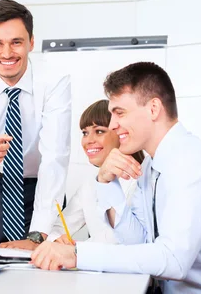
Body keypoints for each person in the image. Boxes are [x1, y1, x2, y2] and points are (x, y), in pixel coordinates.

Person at [30, 62, 201, 293]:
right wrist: (107, 183)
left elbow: (173, 261)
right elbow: (135, 241)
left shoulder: (192, 163)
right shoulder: (151, 166)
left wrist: (77, 253)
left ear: (153, 108)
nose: (114, 124)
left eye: (119, 113)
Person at [0, 0, 71, 249]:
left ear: (31, 42)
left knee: (44, 262)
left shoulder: (54, 82)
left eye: (16, 42)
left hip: (41, 185)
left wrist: (37, 236)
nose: (7, 53)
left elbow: (55, 159)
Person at [48, 99, 144, 245]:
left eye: (99, 131)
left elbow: (121, 240)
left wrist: (75, 251)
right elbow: (59, 227)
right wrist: (57, 240)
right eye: (85, 133)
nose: (88, 140)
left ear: (121, 133)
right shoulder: (89, 185)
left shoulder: (141, 181)